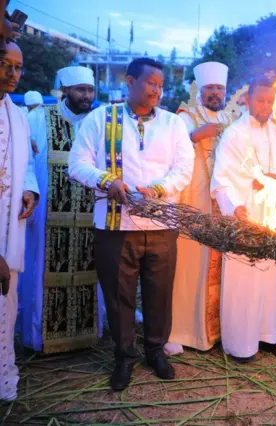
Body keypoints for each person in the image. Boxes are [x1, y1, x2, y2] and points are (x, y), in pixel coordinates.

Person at [69, 58, 194, 391]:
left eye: (160, 85)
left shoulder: (172, 123)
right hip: (115, 225)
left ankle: (155, 351)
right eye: (150, 82)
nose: (156, 90)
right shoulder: (101, 118)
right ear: (130, 81)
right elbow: (76, 163)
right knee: (119, 296)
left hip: (161, 224)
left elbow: (184, 169)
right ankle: (124, 358)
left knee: (159, 293)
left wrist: (157, 189)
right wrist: (106, 180)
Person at [211, 78, 276, 364]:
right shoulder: (234, 135)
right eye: (260, 100)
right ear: (248, 100)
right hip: (247, 217)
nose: (266, 106)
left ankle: (272, 337)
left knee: (275, 278)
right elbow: (222, 178)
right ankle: (242, 345)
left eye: (270, 101)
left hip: (275, 219)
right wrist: (237, 205)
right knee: (246, 281)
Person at [19, 66, 104, 353]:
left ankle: (86, 335)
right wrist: (28, 189)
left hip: (92, 215)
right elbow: (25, 160)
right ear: (65, 90)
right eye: (80, 89)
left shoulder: (98, 120)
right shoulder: (39, 118)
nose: (86, 95)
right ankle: (43, 337)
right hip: (48, 216)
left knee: (91, 272)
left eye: (90, 90)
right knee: (43, 269)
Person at [165, 61, 232, 356]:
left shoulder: (232, 119)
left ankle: (214, 333)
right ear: (200, 91)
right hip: (193, 203)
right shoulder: (185, 116)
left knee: (219, 268)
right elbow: (173, 152)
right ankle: (178, 331)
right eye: (210, 89)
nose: (215, 93)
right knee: (187, 267)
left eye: (219, 88)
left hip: (222, 205)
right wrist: (197, 135)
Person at [0, 42, 38, 401]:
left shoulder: (18, 115)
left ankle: (4, 376)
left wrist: (30, 190)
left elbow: (26, 164)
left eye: (18, 67)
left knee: (6, 307)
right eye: (4, 64)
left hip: (10, 225)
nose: (13, 74)